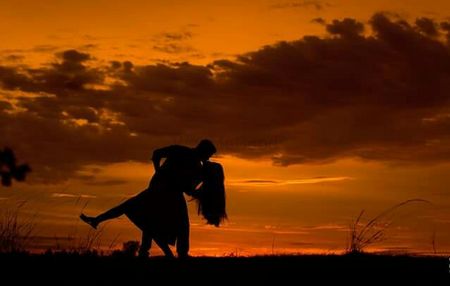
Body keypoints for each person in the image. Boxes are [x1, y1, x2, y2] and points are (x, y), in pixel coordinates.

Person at [80, 139, 217, 258]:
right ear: (203, 151)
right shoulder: (189, 159)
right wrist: (159, 171)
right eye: (209, 155)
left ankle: (99, 221)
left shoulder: (185, 155)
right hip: (165, 192)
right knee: (179, 225)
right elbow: (188, 189)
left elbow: (158, 155)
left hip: (162, 189)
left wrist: (158, 171)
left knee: (140, 212)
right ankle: (178, 254)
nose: (209, 158)